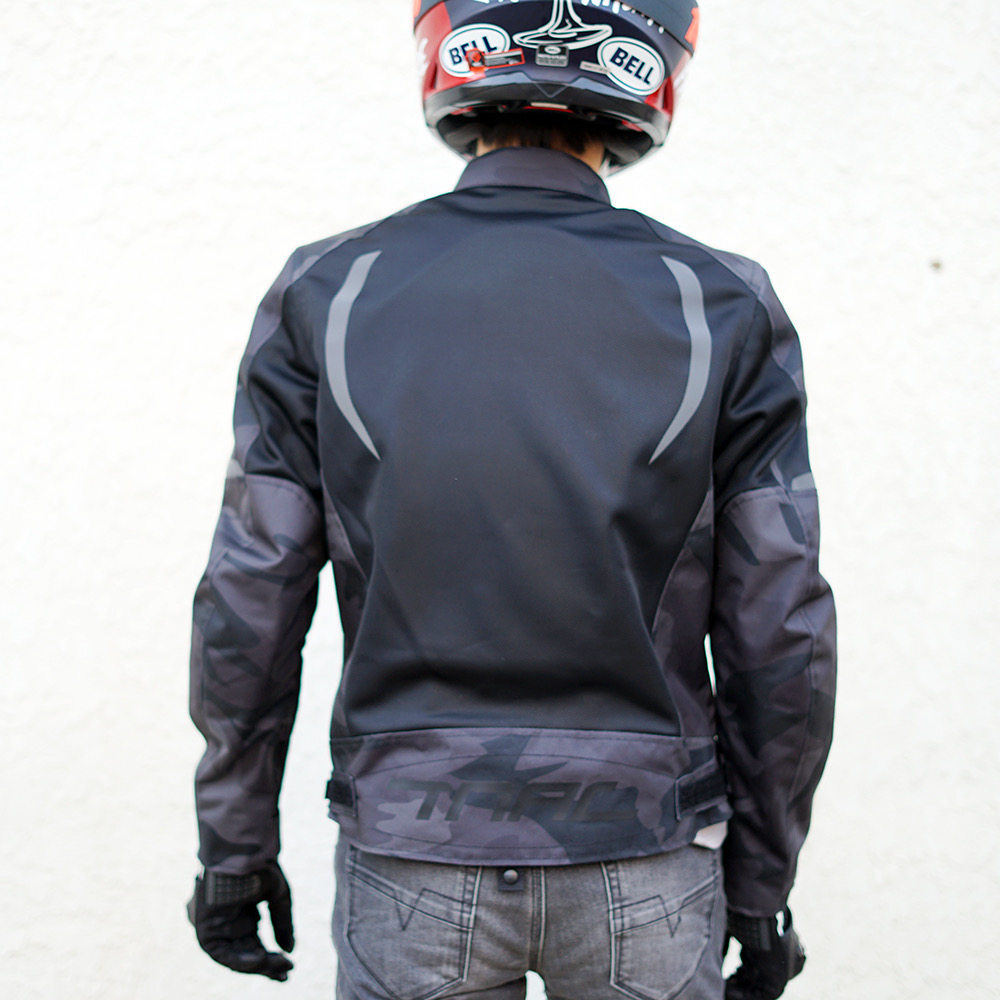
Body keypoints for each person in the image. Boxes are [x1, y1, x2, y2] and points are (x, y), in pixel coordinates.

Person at [187, 2, 836, 998]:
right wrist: (761, 879)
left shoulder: (332, 289)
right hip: (647, 855)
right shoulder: (718, 300)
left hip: (413, 853)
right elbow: (780, 623)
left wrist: (234, 845)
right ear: (650, 70)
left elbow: (251, 595)